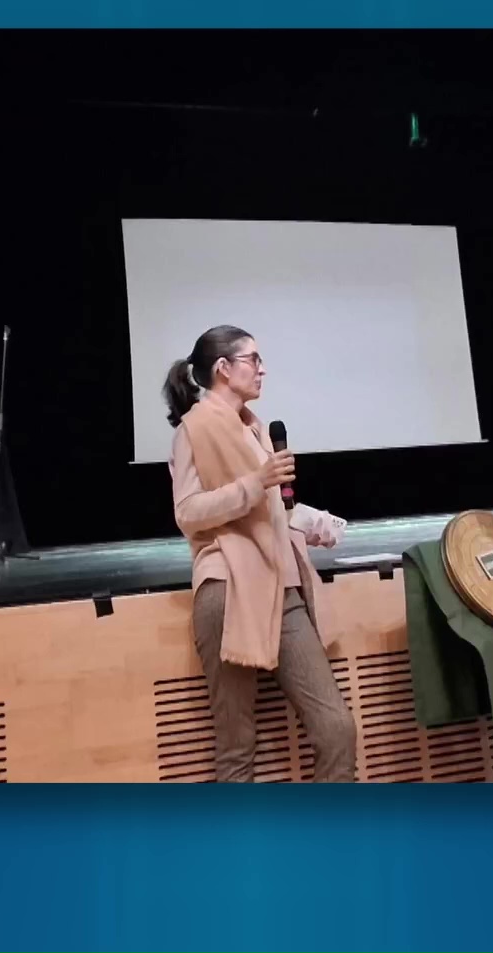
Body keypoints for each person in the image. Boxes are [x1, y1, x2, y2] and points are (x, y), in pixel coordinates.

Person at [163, 325, 357, 782]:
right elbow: (188, 512)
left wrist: (312, 522)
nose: (263, 368)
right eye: (253, 359)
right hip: (229, 588)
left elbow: (273, 505)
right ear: (223, 369)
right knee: (237, 744)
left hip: (282, 586)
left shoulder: (255, 428)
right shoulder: (194, 430)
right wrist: (256, 483)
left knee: (336, 729)